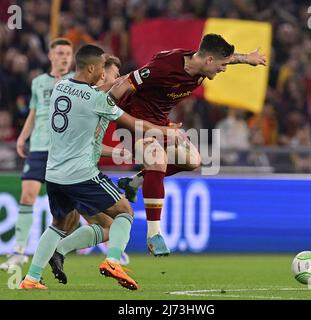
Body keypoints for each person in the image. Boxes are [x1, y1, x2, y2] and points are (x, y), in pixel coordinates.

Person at [19, 44, 180, 290]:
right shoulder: (97, 100)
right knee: (125, 212)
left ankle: (31, 278)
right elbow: (134, 123)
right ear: (93, 68)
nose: (104, 77)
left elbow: (94, 106)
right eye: (103, 71)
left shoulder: (60, 87)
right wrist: (166, 130)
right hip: (82, 174)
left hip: (54, 174)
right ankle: (113, 261)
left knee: (59, 225)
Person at [111, 33, 266, 256]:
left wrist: (246, 58)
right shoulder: (164, 66)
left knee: (193, 160)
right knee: (157, 158)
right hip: (134, 123)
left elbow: (227, 58)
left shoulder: (202, 66)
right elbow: (124, 84)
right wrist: (102, 111)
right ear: (209, 61)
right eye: (221, 65)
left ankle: (135, 182)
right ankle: (154, 234)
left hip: (161, 125)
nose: (223, 69)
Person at [48, 55, 131, 285]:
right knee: (114, 221)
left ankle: (38, 269)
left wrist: (115, 153)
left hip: (64, 171)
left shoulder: (81, 95)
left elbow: (91, 143)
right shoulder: (95, 100)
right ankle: (60, 253)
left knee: (73, 225)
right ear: (100, 73)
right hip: (80, 175)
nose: (114, 79)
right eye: (113, 74)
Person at [0, 38, 74, 271]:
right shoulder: (38, 82)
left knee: (69, 208)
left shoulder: (76, 83)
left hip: (65, 152)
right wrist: (23, 137)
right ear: (50, 56)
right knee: (27, 195)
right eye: (60, 52)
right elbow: (34, 112)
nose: (64, 57)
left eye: (68, 53)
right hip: (40, 148)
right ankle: (19, 252)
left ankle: (59, 249)